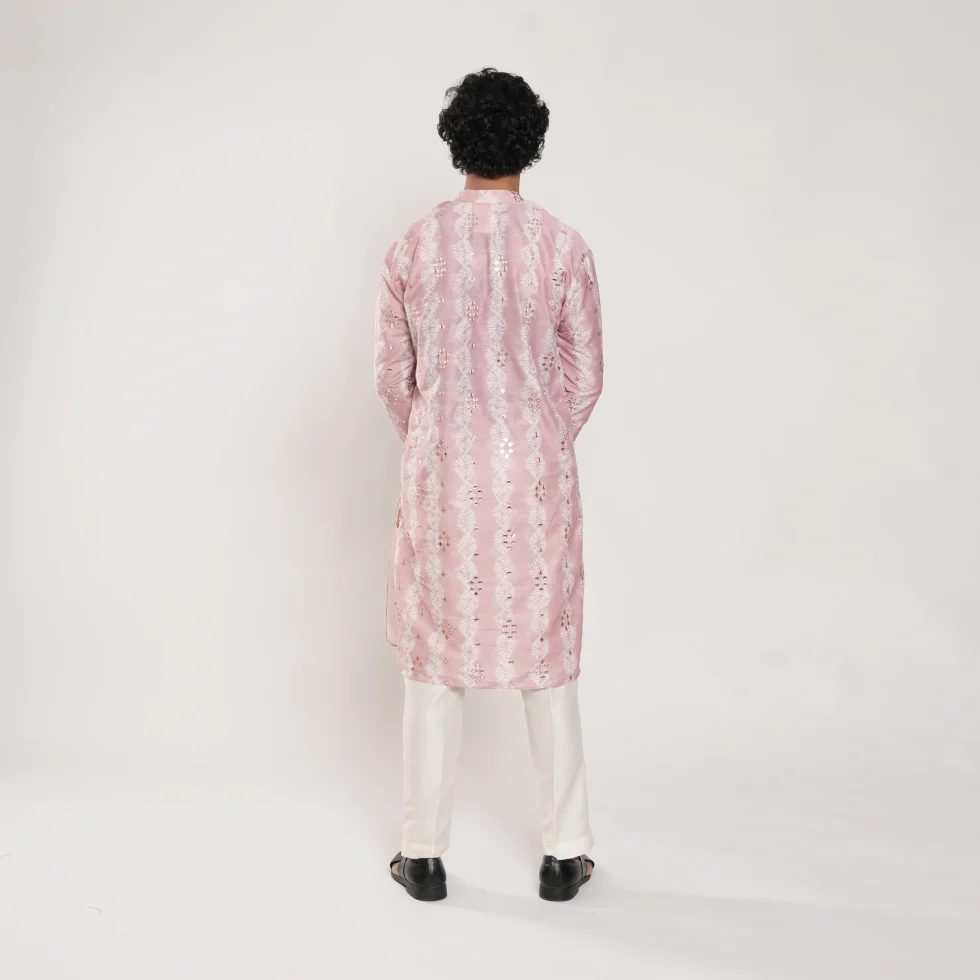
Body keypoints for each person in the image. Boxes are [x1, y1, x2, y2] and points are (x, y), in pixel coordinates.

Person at [374, 67, 603, 902]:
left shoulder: (413, 246)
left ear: (455, 142)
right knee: (548, 657)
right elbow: (585, 378)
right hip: (535, 477)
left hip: (442, 474)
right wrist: (533, 437)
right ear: (531, 144)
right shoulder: (563, 246)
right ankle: (565, 853)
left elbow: (392, 379)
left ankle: (423, 855)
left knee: (435, 660)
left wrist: (442, 439)